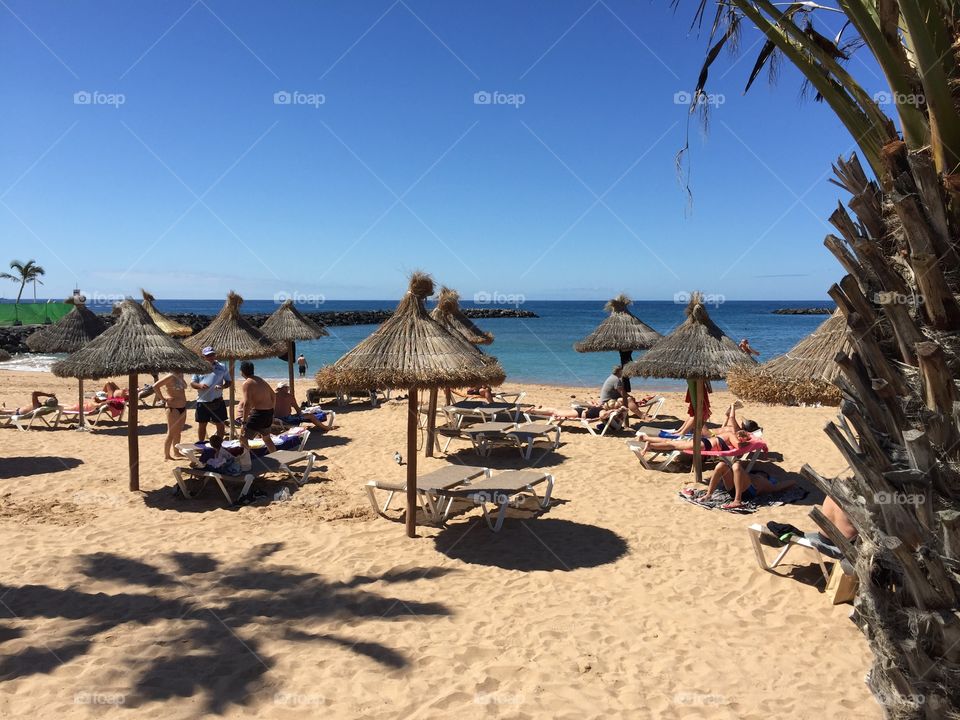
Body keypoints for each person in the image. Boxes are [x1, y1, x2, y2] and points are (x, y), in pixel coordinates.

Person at [684, 461, 794, 509]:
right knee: (721, 465)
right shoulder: (751, 475)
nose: (761, 474)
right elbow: (738, 474)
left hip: (748, 492)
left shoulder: (765, 482)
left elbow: (779, 487)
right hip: (734, 488)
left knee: (736, 466)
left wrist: (793, 482)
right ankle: (708, 494)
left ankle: (737, 500)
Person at [190, 346, 231, 442]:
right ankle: (201, 443)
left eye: (212, 354)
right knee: (202, 425)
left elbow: (229, 381)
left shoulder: (222, 367)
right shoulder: (198, 367)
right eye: (208, 355)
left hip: (218, 401)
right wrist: (200, 386)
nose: (211, 357)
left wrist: (223, 386)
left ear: (215, 355)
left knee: (220, 424)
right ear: (203, 357)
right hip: (202, 402)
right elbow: (192, 383)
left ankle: (219, 444)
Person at [238, 361, 276, 453]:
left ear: (242, 371)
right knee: (266, 438)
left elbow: (247, 403)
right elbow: (273, 395)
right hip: (269, 412)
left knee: (242, 437)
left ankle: (246, 459)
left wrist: (244, 421)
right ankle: (276, 455)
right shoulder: (261, 380)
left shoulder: (247, 383)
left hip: (259, 414)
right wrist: (272, 410)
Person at [153, 372, 188, 460]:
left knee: (178, 432)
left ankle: (176, 452)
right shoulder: (170, 376)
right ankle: (167, 455)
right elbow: (155, 386)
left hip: (182, 407)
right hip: (173, 407)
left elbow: (184, 387)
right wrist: (163, 398)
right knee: (171, 433)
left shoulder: (180, 375)